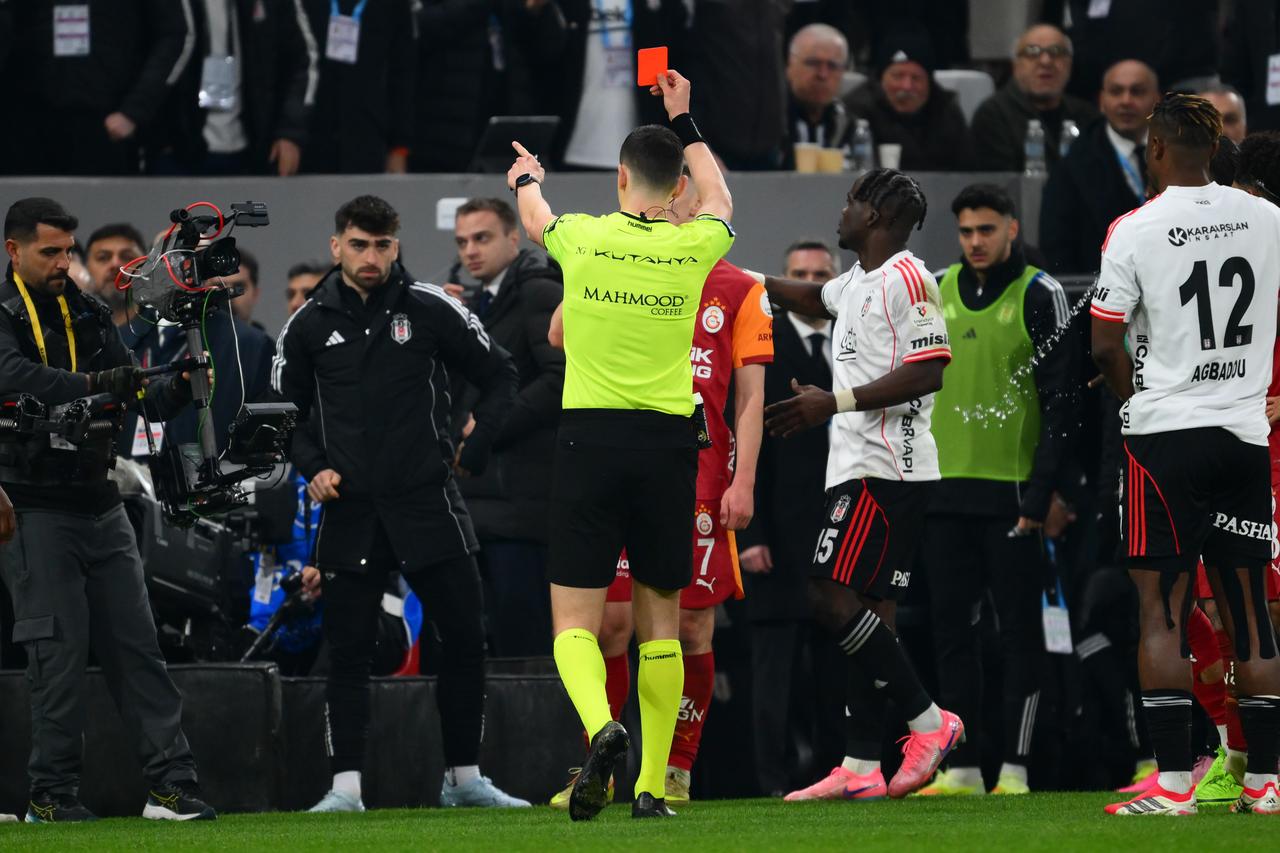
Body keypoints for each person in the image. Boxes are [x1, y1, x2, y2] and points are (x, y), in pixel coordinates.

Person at [506, 68, 733, 819]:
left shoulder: (584, 237)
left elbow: (536, 216)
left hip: (590, 440)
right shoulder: (695, 243)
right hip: (670, 445)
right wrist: (687, 119)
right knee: (659, 619)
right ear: (674, 191)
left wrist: (527, 176)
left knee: (574, 619)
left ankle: (603, 728)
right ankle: (650, 787)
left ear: (620, 178)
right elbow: (723, 198)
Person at [273, 195, 526, 811]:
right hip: (352, 508)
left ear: (398, 244)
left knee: (466, 637)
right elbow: (282, 414)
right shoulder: (306, 325)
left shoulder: (432, 307)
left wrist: (479, 442)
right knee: (349, 648)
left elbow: (503, 374)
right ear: (337, 246)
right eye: (359, 244)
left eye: (383, 245)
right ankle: (346, 789)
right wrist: (314, 467)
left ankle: (464, 780)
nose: (371, 257)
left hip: (428, 500)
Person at [547, 168, 772, 807]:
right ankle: (611, 768)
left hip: (697, 476)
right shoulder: (623, 256)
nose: (686, 206)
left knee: (686, 631)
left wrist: (744, 478)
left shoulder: (738, 286)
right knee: (616, 626)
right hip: (662, 462)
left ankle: (673, 769)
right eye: (681, 194)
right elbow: (560, 333)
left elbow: (751, 396)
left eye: (695, 197)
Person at [1092, 94, 1280, 816]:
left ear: (1160, 149)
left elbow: (1107, 341)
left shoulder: (1136, 227)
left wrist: (1131, 399)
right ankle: (1265, 782)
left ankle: (1173, 784)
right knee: (1253, 612)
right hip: (1245, 435)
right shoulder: (1267, 219)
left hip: (1166, 435)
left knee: (1162, 610)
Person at [751, 168, 963, 803]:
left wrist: (833, 401)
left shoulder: (909, 278)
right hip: (861, 465)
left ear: (874, 215)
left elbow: (930, 370)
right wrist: (737, 279)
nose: (840, 212)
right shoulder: (859, 280)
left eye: (849, 203)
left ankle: (929, 722)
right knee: (872, 617)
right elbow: (816, 300)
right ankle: (862, 763)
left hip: (886, 469)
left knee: (825, 594)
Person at [0, 198, 214, 822]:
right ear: (13, 251)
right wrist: (109, 386)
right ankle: (52, 794)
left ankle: (170, 786)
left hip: (100, 498)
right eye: (50, 252)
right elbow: (15, 377)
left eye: (69, 250)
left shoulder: (90, 312)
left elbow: (134, 395)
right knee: (57, 654)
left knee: (138, 646)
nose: (64, 263)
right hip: (29, 503)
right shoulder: (3, 316)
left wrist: (176, 384)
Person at [917, 183, 1076, 796]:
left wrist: (1042, 494)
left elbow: (1062, 403)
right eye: (966, 231)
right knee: (951, 633)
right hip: (945, 492)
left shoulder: (1040, 292)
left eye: (987, 229)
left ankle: (1015, 767)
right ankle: (960, 767)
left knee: (1018, 635)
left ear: (1012, 227)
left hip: (1012, 497)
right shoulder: (935, 289)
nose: (976, 241)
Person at [738, 239, 844, 797]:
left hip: (843, 533)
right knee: (772, 676)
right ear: (784, 281)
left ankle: (834, 775)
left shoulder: (859, 341)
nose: (809, 280)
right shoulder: (762, 342)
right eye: (799, 273)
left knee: (836, 669)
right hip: (776, 536)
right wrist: (750, 535)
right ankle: (769, 784)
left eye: (819, 273)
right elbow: (741, 438)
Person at [449, 197, 564, 658]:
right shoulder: (468, 304)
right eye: (461, 242)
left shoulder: (538, 292)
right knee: (478, 645)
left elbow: (561, 378)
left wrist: (489, 427)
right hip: (478, 501)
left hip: (524, 505)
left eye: (482, 238)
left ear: (513, 238)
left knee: (524, 647)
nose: (470, 251)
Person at [3, 1, 193, 175]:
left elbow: (175, 34)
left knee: (103, 208)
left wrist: (134, 111)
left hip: (109, 125)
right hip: (26, 123)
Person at [144, 0, 318, 176]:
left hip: (254, 151)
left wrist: (291, 133)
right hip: (175, 150)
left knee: (248, 204)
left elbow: (304, 61)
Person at [1040, 59, 1160, 274]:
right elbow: (1056, 247)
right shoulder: (1073, 166)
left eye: (1137, 92)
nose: (1126, 100)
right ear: (1102, 101)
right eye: (1116, 92)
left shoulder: (1180, 153)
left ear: (1157, 100)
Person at [301, 0, 417, 173]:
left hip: (368, 134)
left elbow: (402, 74)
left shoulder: (392, 5)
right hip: (308, 133)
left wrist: (399, 147)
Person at [970, 24, 1099, 172]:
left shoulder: (1087, 116)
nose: (1045, 61)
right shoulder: (993, 115)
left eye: (1056, 52)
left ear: (1069, 64)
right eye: (1032, 52)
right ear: (1016, 64)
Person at [844, 30, 974, 171]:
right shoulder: (858, 110)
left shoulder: (946, 111)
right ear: (881, 78)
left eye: (916, 78)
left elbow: (968, 170)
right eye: (898, 76)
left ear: (929, 82)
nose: (906, 86)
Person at [785, 24, 853, 166]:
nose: (823, 74)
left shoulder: (847, 123)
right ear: (789, 66)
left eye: (833, 66)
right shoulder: (769, 120)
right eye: (813, 63)